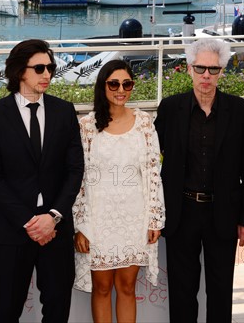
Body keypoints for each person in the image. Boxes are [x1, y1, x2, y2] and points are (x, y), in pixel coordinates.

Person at [0, 39, 84, 322]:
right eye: (39, 68)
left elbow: (75, 170)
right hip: (11, 230)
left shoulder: (64, 111)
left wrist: (53, 216)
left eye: (50, 67)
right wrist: (29, 221)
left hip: (56, 229)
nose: (47, 74)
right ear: (19, 72)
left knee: (58, 309)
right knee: (7, 309)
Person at [154, 38, 244, 322]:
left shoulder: (239, 110)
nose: (206, 76)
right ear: (189, 69)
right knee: (181, 291)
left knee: (221, 290)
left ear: (222, 72)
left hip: (223, 213)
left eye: (213, 70)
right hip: (181, 212)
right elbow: (151, 162)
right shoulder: (170, 108)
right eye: (200, 68)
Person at [72, 60, 165, 322]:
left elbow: (152, 173)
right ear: (103, 86)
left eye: (127, 83)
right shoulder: (87, 126)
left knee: (126, 288)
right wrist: (80, 224)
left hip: (133, 220)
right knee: (101, 288)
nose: (121, 89)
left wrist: (155, 219)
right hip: (97, 220)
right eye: (114, 83)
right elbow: (78, 178)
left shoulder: (145, 123)